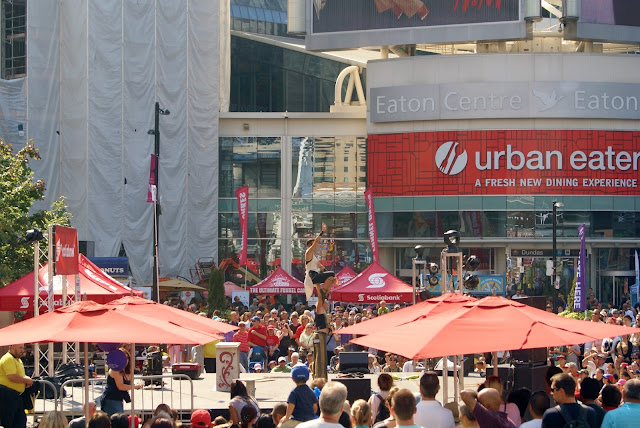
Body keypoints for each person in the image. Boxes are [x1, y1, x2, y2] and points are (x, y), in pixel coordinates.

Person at [0, 343, 33, 428]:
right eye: (20, 348)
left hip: (15, 396)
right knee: (10, 422)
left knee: (20, 421)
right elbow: (11, 376)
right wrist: (26, 380)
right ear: (12, 347)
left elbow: (19, 375)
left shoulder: (17, 360)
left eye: (23, 348)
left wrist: (27, 380)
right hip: (7, 395)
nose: (22, 350)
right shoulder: (8, 359)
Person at [99, 348, 139, 416]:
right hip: (111, 399)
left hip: (118, 399)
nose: (126, 360)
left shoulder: (125, 369)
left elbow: (130, 382)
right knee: (118, 420)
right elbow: (121, 386)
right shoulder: (115, 369)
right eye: (123, 357)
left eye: (127, 357)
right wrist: (134, 386)